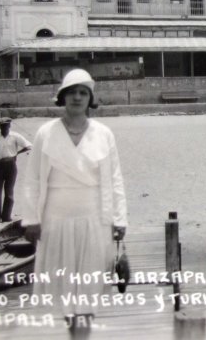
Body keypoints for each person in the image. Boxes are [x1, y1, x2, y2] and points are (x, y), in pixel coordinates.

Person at [19, 69, 127, 337]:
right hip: (56, 219)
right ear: (62, 97)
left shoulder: (104, 133)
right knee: (66, 286)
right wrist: (31, 219)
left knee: (88, 287)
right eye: (71, 92)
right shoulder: (46, 132)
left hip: (94, 219)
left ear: (90, 98)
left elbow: (115, 179)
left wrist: (119, 219)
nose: (77, 97)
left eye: (83, 93)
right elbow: (32, 179)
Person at [0, 118, 32, 225]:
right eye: (2, 126)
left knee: (9, 192)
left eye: (6, 126)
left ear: (9, 126)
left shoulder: (15, 136)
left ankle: (6, 216)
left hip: (10, 165)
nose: (4, 128)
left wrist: (16, 153)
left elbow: (29, 146)